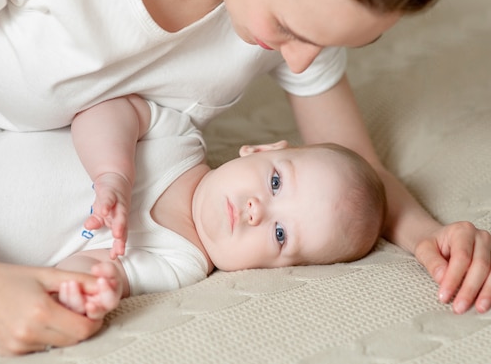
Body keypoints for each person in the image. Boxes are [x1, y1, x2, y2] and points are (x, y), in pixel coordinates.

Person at [0, 0, 491, 355]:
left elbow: (352, 167)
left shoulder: (184, 250)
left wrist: (430, 238)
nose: (300, 61)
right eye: (292, 27)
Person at [67, 95, 388, 319]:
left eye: (280, 235)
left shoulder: (181, 265)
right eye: (275, 182)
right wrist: (112, 173)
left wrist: (91, 290)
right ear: (260, 150)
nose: (257, 211)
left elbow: (85, 266)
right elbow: (103, 109)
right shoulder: (179, 139)